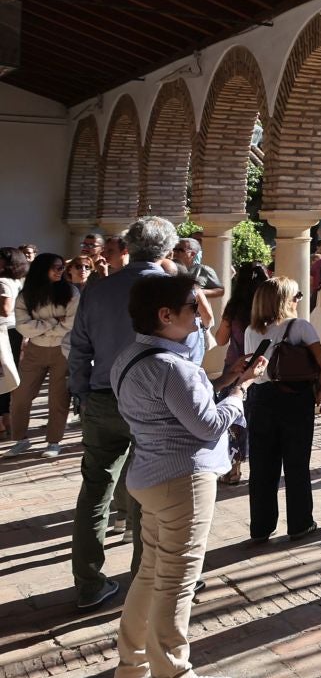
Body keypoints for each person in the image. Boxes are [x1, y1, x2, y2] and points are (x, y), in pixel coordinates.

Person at [106, 272, 260, 678]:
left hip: (150, 477)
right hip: (182, 481)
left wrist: (226, 381)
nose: (201, 317)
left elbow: (180, 410)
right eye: (194, 308)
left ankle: (130, 666)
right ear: (165, 315)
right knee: (176, 581)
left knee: (152, 573)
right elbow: (210, 424)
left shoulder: (131, 358)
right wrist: (243, 390)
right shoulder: (173, 366)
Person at [69, 216, 178, 610]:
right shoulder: (168, 290)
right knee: (148, 495)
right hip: (151, 401)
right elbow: (189, 351)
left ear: (129, 246)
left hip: (101, 398)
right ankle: (142, 582)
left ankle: (88, 583)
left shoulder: (98, 290)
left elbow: (78, 347)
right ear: (166, 250)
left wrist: (81, 394)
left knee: (95, 490)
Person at [242, 277, 321, 543]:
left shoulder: (251, 330)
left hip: (261, 397)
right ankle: (300, 523)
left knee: (261, 466)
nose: (298, 300)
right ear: (285, 300)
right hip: (296, 397)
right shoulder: (300, 326)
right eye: (296, 296)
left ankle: (261, 526)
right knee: (296, 463)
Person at [11, 253, 75, 455]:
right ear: (42, 268)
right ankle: (20, 439)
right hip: (35, 350)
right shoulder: (26, 295)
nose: (60, 271)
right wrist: (53, 322)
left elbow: (71, 323)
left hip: (62, 350)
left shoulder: (70, 292)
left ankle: (54, 442)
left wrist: (42, 326)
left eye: (61, 267)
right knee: (20, 396)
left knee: (58, 398)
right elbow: (23, 326)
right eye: (55, 267)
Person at [213, 264, 268, 486]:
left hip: (234, 369)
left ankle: (233, 470)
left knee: (234, 421)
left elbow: (220, 340)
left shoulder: (233, 308)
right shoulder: (269, 308)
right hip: (261, 370)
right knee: (258, 420)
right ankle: (261, 468)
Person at [0, 247, 25, 442]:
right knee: (8, 376)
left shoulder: (3, 282)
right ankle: (7, 422)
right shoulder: (15, 281)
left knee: (3, 377)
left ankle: (4, 423)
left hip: (4, 332)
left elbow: (5, 309)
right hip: (13, 331)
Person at [169, 239, 222, 306]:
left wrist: (198, 292)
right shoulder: (168, 267)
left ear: (192, 254)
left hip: (195, 312)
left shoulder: (203, 270)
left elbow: (220, 291)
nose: (175, 253)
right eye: (174, 249)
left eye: (180, 250)